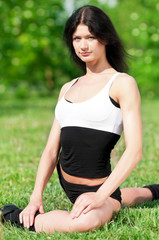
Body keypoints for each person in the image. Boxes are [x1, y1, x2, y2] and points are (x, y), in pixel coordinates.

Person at [1, 5, 159, 234]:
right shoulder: (67, 87)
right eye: (77, 38)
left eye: (91, 37)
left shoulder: (122, 83)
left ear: (106, 39)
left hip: (100, 188)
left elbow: (134, 151)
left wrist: (101, 195)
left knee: (88, 219)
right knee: (124, 197)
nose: (83, 45)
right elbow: (50, 151)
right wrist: (36, 197)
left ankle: (10, 215)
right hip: (70, 185)